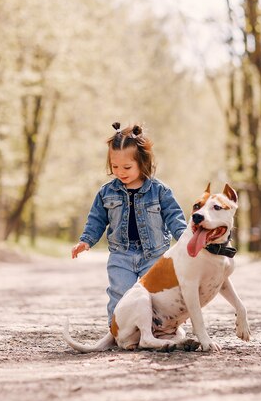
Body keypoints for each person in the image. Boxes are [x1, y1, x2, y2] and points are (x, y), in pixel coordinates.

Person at [71, 122, 187, 326]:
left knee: (156, 296)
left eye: (127, 167)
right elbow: (96, 220)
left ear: (142, 163)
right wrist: (86, 241)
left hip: (154, 255)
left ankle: (157, 330)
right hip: (121, 255)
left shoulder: (160, 191)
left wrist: (186, 239)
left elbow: (174, 216)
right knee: (120, 293)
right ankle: (117, 329)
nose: (120, 172)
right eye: (115, 166)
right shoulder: (106, 192)